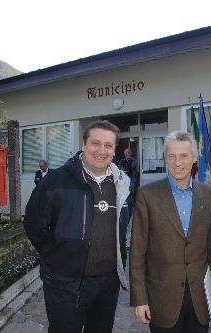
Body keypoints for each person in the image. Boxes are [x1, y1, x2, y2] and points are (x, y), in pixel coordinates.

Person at [23, 120, 131, 333]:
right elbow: (33, 224)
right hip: (66, 285)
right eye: (95, 143)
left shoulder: (122, 182)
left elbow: (123, 226)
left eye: (108, 145)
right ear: (84, 145)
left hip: (107, 284)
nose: (102, 150)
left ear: (114, 149)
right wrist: (57, 255)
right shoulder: (56, 180)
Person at [129, 130, 211, 333]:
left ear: (194, 158)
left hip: (199, 298)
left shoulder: (209, 195)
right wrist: (140, 299)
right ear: (165, 158)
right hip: (161, 299)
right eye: (171, 156)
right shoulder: (147, 195)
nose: (177, 162)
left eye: (183, 156)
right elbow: (137, 252)